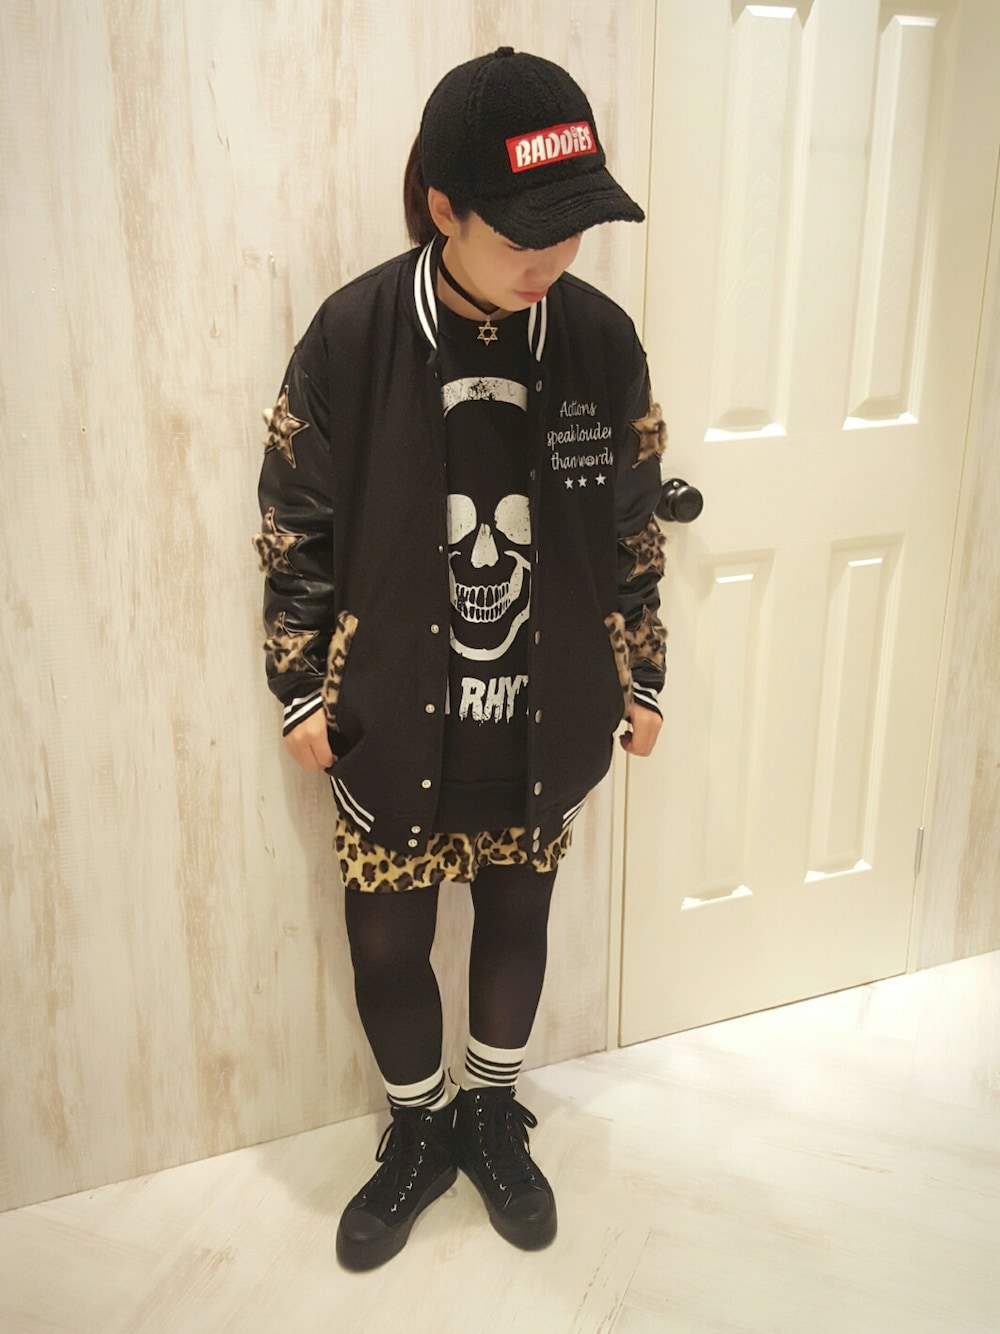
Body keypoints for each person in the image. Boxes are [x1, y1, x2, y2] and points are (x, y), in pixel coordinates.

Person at [254, 46, 667, 1272]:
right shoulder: (353, 334)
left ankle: (491, 1111)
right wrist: (297, 682)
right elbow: (295, 516)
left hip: (544, 705)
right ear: (442, 205)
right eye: (524, 232)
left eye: (573, 228)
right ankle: (420, 1126)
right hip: (386, 707)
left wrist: (642, 668)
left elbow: (633, 519)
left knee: (516, 910)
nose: (553, 256)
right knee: (386, 936)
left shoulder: (601, 340)